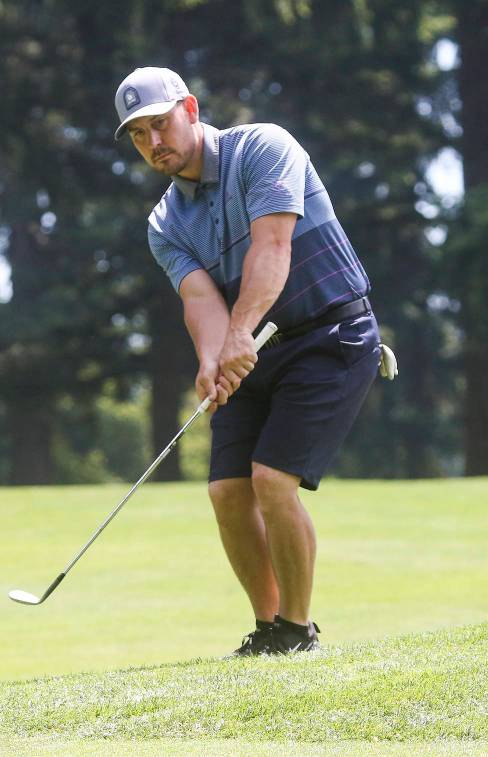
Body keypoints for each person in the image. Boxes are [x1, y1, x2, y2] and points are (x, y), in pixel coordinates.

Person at [114, 66, 395, 656]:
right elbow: (199, 299)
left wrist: (239, 334)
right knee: (226, 491)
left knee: (271, 479)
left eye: (159, 125)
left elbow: (273, 248)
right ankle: (268, 629)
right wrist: (213, 359)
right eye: (138, 135)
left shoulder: (264, 148)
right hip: (256, 351)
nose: (154, 143)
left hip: (331, 333)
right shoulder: (165, 222)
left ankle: (298, 629)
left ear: (190, 109)